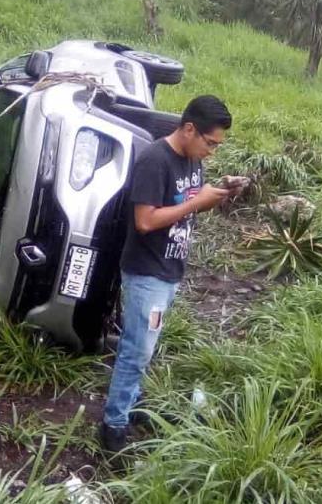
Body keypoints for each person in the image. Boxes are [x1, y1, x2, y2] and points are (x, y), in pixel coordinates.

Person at [100, 94, 237, 452]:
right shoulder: (155, 161)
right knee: (136, 351)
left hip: (169, 269)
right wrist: (197, 201)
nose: (212, 151)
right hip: (147, 272)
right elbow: (144, 221)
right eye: (210, 143)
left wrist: (214, 195)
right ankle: (113, 427)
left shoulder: (192, 160)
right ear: (189, 129)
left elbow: (183, 207)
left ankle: (130, 404)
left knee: (146, 347)